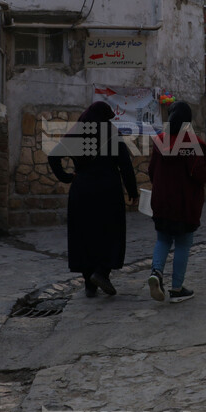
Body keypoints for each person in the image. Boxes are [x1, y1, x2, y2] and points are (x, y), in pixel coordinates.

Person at [49, 101, 138, 298]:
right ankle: (102, 272)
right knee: (110, 232)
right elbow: (125, 165)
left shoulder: (77, 133)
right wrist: (133, 192)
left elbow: (53, 157)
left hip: (82, 191)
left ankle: (89, 282)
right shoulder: (112, 134)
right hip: (108, 191)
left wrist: (66, 177)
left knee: (84, 235)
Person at [147, 101, 206, 303]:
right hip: (184, 205)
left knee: (162, 239)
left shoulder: (159, 140)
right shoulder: (192, 142)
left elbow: (152, 171)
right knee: (183, 243)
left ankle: (156, 272)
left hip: (161, 203)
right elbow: (196, 171)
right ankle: (177, 289)